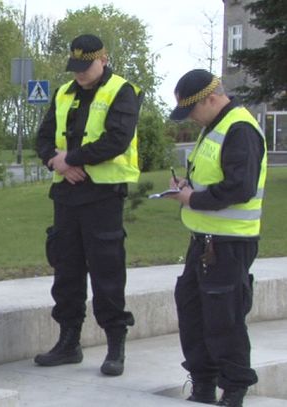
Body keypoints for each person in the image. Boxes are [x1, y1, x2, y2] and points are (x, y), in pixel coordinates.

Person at [34, 33, 143, 376]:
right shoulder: (64, 93)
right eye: (75, 67)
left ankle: (115, 346)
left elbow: (117, 138)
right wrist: (57, 162)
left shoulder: (123, 91)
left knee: (107, 271)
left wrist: (74, 159)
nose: (79, 74)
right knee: (66, 270)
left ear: (104, 59)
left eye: (86, 66)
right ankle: (69, 342)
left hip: (103, 195)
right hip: (66, 195)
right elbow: (43, 138)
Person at [167, 69, 267, 406]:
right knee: (193, 313)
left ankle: (234, 389)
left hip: (229, 243)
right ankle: (203, 383)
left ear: (212, 98)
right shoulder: (214, 127)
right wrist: (186, 187)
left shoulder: (240, 128)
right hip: (205, 240)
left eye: (192, 110)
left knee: (224, 319)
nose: (191, 118)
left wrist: (192, 198)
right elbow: (212, 179)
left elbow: (240, 187)